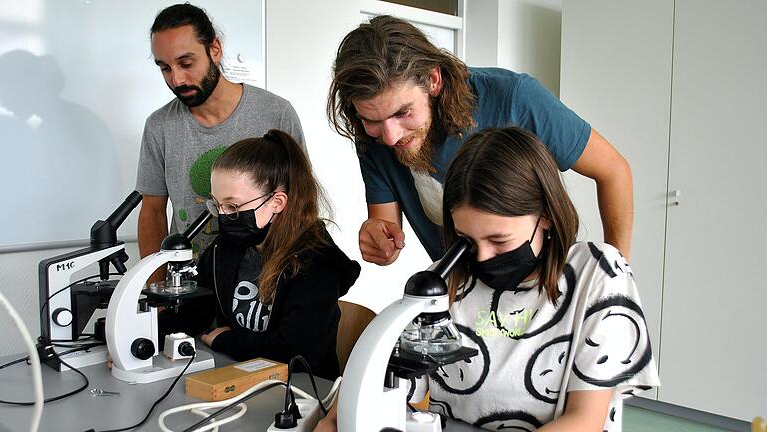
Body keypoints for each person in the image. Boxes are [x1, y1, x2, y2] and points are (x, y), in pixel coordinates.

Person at [315, 127, 657, 431]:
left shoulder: (596, 274)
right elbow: (381, 374)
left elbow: (584, 420)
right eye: (467, 241)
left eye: (499, 240)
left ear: (547, 216)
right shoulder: (445, 279)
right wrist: (336, 418)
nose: (481, 258)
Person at [327, 15, 633, 266]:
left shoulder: (516, 98)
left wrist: (615, 273)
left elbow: (614, 171)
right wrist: (377, 238)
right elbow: (387, 230)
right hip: (464, 296)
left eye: (403, 112)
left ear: (433, 80)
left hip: (546, 287)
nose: (391, 136)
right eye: (372, 120)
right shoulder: (375, 136)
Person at [160, 130, 360, 380]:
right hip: (239, 377)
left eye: (233, 206)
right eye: (217, 204)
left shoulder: (317, 261)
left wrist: (227, 340)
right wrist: (137, 335)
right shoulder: (225, 248)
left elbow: (297, 351)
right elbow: (195, 312)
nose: (223, 216)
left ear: (277, 202)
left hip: (301, 391)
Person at [137, 3, 305, 272]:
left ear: (215, 49)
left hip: (264, 282)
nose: (177, 79)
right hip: (188, 286)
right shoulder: (159, 126)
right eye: (165, 68)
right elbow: (152, 211)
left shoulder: (276, 113)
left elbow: (300, 199)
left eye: (186, 63)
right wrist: (156, 287)